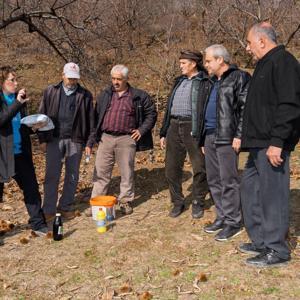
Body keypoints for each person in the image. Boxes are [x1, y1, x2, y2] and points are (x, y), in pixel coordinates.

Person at [240, 22, 300, 267]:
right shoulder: (264, 64)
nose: (247, 48)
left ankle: (278, 250)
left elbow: (290, 105)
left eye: (249, 42)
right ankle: (261, 241)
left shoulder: (284, 62)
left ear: (262, 41)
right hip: (256, 144)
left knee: (273, 196)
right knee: (251, 190)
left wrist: (278, 142)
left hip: (272, 144)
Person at [200, 45, 250, 241]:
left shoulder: (239, 77)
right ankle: (222, 216)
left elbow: (246, 108)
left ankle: (233, 221)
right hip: (210, 135)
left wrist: (239, 135)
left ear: (220, 60)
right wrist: (204, 136)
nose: (206, 65)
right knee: (213, 179)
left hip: (228, 136)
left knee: (228, 180)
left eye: (208, 61)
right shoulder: (212, 81)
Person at [91, 64, 157, 215]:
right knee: (101, 171)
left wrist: (141, 130)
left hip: (126, 139)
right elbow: (96, 115)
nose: (115, 82)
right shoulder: (105, 94)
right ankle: (97, 203)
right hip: (105, 138)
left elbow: (151, 114)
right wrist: (94, 136)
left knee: (126, 172)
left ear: (127, 79)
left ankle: (125, 201)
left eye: (119, 79)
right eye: (113, 78)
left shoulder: (139, 96)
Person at [38, 62, 94, 221]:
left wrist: (89, 142)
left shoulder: (85, 95)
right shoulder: (51, 91)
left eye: (75, 79)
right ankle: (48, 209)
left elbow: (91, 121)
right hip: (53, 139)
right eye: (69, 78)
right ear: (62, 75)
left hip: (75, 140)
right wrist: (42, 139)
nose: (72, 82)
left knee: (72, 175)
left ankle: (65, 206)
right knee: (51, 175)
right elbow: (41, 117)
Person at [160, 50, 208, 218]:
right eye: (180, 63)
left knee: (200, 167)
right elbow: (168, 108)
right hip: (174, 125)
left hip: (193, 126)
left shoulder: (204, 81)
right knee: (171, 168)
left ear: (193, 63)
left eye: (183, 63)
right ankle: (178, 202)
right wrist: (164, 132)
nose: (180, 66)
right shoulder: (178, 81)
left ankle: (198, 202)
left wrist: (205, 133)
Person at [0, 66, 48, 236]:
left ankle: (38, 223)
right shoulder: (10, 101)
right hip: (3, 156)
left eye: (16, 79)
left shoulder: (19, 101)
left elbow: (20, 126)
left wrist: (34, 127)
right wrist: (17, 103)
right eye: (11, 80)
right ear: (2, 82)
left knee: (31, 188)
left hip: (21, 153)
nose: (16, 83)